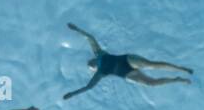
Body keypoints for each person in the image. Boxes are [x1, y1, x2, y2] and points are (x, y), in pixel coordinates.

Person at [62, 22, 192, 99]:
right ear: (93, 69)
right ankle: (177, 80)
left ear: (93, 58)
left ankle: (181, 68)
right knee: (151, 83)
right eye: (90, 66)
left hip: (127, 60)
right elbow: (88, 87)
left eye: (90, 62)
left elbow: (90, 38)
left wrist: (76, 29)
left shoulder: (99, 53)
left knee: (152, 65)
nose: (89, 63)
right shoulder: (100, 73)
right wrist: (72, 94)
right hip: (127, 74)